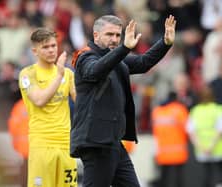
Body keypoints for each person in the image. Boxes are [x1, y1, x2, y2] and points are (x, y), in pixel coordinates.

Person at [70, 14, 176, 187]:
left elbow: (143, 62)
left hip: (112, 142)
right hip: (96, 142)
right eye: (109, 35)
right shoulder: (85, 57)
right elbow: (95, 71)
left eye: (118, 35)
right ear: (96, 36)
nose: (115, 39)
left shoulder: (117, 58)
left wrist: (165, 43)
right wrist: (124, 49)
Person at [18, 28, 77, 187]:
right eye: (45, 47)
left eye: (53, 46)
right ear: (35, 51)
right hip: (42, 145)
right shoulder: (27, 74)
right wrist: (58, 76)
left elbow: (82, 104)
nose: (51, 50)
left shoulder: (69, 74)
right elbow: (39, 100)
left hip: (66, 145)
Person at [186, 85, 222, 187]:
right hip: (218, 149)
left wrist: (201, 147)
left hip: (203, 150)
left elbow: (191, 132)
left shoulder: (195, 111)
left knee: (207, 175)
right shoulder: (218, 109)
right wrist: (211, 146)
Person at [151, 92, 189, 187]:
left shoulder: (157, 111)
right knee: (178, 179)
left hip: (163, 151)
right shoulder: (180, 110)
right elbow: (187, 129)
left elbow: (155, 130)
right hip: (178, 151)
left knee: (164, 177)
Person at [8, 99, 29, 187]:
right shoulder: (40, 102)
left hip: (23, 146)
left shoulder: (19, 106)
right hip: (37, 146)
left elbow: (13, 125)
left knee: (24, 168)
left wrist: (15, 144)